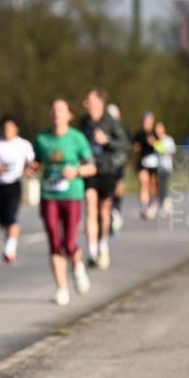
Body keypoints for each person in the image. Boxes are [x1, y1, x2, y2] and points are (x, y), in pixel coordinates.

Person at [30, 98, 96, 306]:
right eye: (53, 110)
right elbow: (36, 161)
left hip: (72, 194)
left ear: (69, 115)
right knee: (54, 241)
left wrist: (75, 170)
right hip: (49, 195)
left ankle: (77, 267)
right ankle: (61, 288)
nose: (56, 114)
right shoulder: (41, 138)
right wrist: (31, 167)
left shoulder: (77, 139)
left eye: (60, 110)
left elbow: (91, 167)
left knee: (69, 243)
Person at [78, 88, 128, 270]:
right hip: (89, 170)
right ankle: (92, 252)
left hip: (108, 170)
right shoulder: (83, 123)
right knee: (90, 208)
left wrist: (107, 141)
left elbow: (124, 144)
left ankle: (103, 244)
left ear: (100, 102)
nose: (85, 103)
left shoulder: (111, 122)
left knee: (103, 210)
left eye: (89, 99)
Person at [0, 116, 35, 263]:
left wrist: (30, 170)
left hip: (15, 183)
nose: (8, 131)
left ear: (16, 129)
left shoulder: (23, 144)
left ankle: (10, 249)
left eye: (10, 128)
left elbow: (33, 161)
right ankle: (9, 237)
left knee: (12, 217)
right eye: (5, 128)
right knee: (3, 221)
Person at [132, 111, 160, 220]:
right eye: (145, 121)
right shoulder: (138, 134)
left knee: (152, 184)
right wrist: (136, 147)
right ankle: (144, 206)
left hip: (154, 162)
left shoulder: (155, 134)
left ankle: (153, 202)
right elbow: (134, 147)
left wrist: (154, 143)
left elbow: (162, 148)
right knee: (143, 182)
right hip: (142, 162)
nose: (146, 123)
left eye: (148, 121)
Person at [106, 103, 127, 233]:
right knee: (109, 190)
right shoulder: (103, 127)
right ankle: (111, 212)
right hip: (107, 164)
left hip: (119, 162)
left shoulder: (122, 128)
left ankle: (117, 210)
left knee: (118, 188)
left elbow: (126, 143)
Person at [153, 121, 176, 217]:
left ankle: (163, 206)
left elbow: (172, 151)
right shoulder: (154, 140)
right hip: (157, 167)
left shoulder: (168, 139)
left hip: (166, 167)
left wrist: (161, 147)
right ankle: (166, 203)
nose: (158, 131)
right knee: (158, 187)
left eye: (160, 128)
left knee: (162, 185)